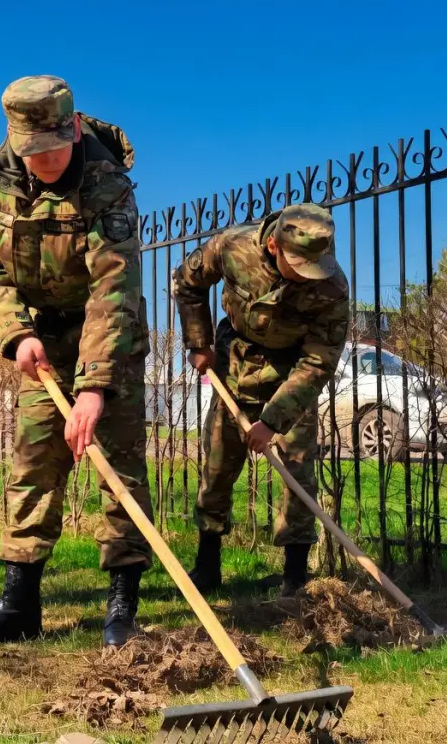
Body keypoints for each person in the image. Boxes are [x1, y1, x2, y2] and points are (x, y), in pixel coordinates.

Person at [0, 75, 153, 648]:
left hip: (109, 339)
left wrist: (96, 385)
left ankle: (121, 608)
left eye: (56, 148)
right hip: (42, 345)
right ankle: (19, 607)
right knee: (34, 464)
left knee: (120, 471)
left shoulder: (107, 183)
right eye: (34, 152)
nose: (47, 161)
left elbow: (115, 287)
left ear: (75, 128)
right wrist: (16, 332)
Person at [172, 203, 349, 597]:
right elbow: (186, 283)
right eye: (298, 265)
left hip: (291, 373)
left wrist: (273, 421)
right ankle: (207, 566)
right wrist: (198, 342)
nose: (308, 276)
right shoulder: (232, 247)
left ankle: (295, 578)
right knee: (218, 464)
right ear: (272, 245)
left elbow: (319, 362)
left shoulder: (332, 286)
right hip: (235, 361)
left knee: (297, 470)